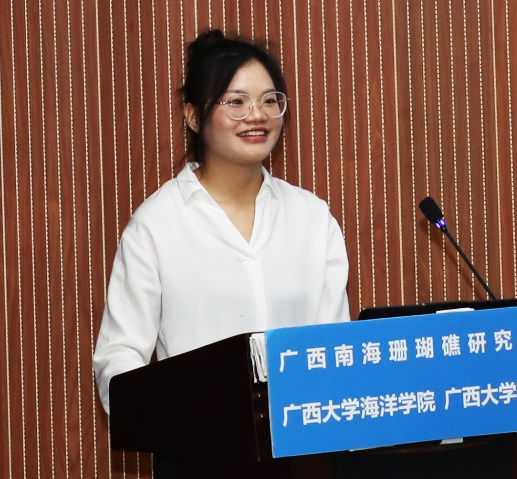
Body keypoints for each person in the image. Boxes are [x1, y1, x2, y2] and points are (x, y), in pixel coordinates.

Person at [93, 29, 351, 416]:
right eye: (236, 102)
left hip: (303, 435)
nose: (257, 115)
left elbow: (335, 350)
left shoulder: (312, 218)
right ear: (193, 116)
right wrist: (172, 422)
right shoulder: (156, 225)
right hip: (199, 440)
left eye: (269, 100)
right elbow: (119, 358)